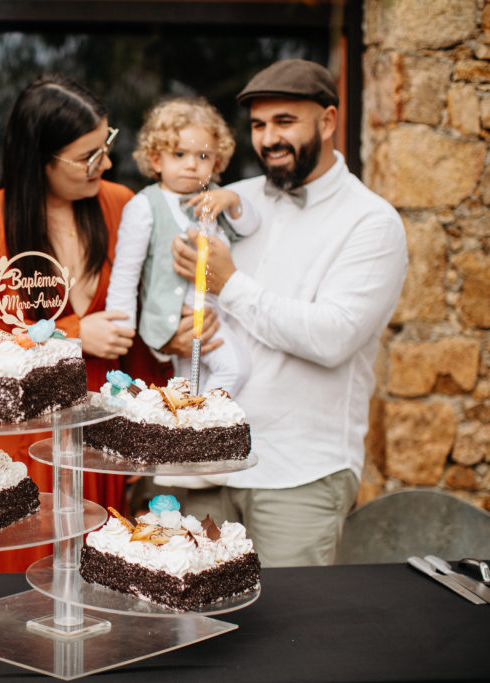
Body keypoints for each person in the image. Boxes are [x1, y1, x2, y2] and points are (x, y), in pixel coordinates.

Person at [163, 59, 408, 567]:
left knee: (290, 633)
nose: (268, 138)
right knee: (196, 629)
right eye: (257, 125)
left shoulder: (371, 223)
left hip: (299, 475)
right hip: (207, 468)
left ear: (328, 120)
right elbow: (181, 304)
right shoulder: (232, 201)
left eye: (284, 122)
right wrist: (176, 331)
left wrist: (229, 284)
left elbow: (333, 337)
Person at [0, 75, 169, 574]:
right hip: (13, 450)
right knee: (15, 595)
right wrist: (72, 332)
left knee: (94, 587)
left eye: (106, 145)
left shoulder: (121, 206)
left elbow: (151, 312)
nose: (105, 163)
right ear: (37, 158)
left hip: (96, 434)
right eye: (88, 155)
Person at [106, 97, 258, 398]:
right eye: (179, 154)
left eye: (202, 156)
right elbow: (126, 272)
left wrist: (232, 200)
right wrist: (120, 327)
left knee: (189, 380)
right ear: (156, 160)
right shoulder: (145, 206)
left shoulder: (214, 198)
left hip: (215, 313)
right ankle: (205, 420)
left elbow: (249, 227)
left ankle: (188, 424)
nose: (191, 165)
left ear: (216, 162)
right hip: (173, 317)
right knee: (235, 367)